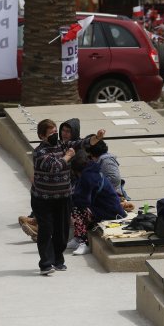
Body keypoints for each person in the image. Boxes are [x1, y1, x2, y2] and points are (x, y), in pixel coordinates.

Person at [31, 118, 105, 275]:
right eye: (51, 133)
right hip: (42, 199)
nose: (55, 135)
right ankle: (45, 263)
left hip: (63, 197)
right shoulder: (39, 152)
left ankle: (58, 260)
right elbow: (54, 167)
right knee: (46, 230)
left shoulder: (63, 146)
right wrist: (68, 157)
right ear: (42, 136)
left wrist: (96, 138)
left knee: (61, 231)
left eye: (55, 131)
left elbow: (81, 144)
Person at [19, 118, 83, 241]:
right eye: (62, 130)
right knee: (41, 190)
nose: (64, 133)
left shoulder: (75, 148)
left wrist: (68, 156)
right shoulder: (49, 148)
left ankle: (36, 225)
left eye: (68, 131)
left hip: (72, 186)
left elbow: (60, 168)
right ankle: (36, 221)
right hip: (54, 188)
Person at [68, 150, 126, 256]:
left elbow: (83, 201)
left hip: (110, 211)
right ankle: (77, 238)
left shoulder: (87, 177)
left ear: (77, 170)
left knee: (76, 209)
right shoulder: (92, 171)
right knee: (76, 207)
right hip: (108, 208)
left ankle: (84, 242)